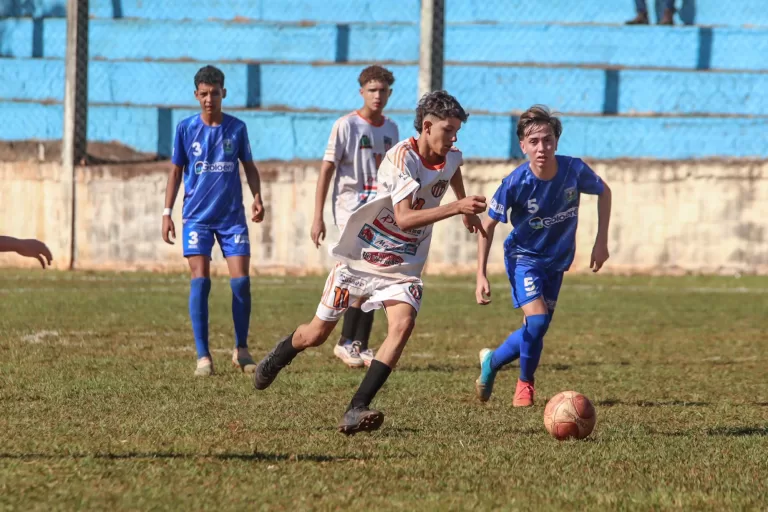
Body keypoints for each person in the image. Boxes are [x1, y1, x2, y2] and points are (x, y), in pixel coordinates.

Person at [254, 91, 486, 435]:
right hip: (364, 257)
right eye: (448, 131)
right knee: (316, 334)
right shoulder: (399, 159)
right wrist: (457, 208)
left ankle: (356, 407)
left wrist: (461, 203)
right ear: (426, 127)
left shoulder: (450, 155)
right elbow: (405, 218)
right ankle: (281, 354)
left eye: (456, 132)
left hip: (404, 265)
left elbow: (453, 171)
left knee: (402, 324)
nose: (454, 138)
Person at [474, 105, 612, 407]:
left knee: (537, 328)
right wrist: (481, 274)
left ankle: (492, 362)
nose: (541, 148)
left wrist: (601, 241)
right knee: (536, 323)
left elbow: (605, 191)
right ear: (522, 146)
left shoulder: (573, 170)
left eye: (547, 140)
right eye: (533, 141)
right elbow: (487, 225)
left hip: (557, 261)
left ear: (556, 142)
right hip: (524, 259)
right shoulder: (515, 183)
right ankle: (525, 383)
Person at [161, 65, 265, 377]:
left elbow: (249, 166)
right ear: (196, 95)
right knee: (201, 281)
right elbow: (176, 172)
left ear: (224, 93)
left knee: (241, 282)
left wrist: (258, 197)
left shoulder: (237, 128)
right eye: (204, 94)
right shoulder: (185, 129)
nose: (209, 99)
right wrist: (166, 214)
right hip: (197, 218)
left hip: (232, 218)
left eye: (214, 93)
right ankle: (203, 356)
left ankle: (241, 349)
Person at [311, 65, 400, 369]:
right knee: (356, 272)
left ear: (389, 93)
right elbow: (327, 170)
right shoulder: (346, 126)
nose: (378, 96)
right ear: (361, 92)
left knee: (375, 274)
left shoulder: (391, 129)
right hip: (349, 209)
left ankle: (359, 344)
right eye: (372, 90)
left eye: (383, 90)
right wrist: (317, 216)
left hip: (378, 212)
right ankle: (345, 341)